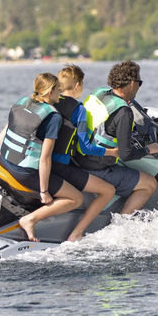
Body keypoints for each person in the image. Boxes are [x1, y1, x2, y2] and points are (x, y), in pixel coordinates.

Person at [0, 73, 85, 242]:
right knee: (76, 198)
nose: (61, 92)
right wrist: (44, 192)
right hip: (25, 173)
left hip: (4, 161)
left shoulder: (22, 102)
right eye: (58, 89)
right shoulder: (53, 117)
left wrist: (8, 162)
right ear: (49, 92)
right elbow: (45, 159)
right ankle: (30, 220)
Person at [72, 60, 158, 217]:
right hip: (96, 168)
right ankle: (121, 223)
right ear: (131, 83)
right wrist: (148, 149)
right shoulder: (124, 112)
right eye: (139, 83)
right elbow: (126, 154)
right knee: (149, 183)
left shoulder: (99, 93)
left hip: (78, 158)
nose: (139, 87)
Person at [52, 64, 118, 241]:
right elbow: (86, 147)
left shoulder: (49, 101)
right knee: (108, 190)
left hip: (44, 163)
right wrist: (111, 152)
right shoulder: (78, 109)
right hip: (60, 167)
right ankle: (77, 233)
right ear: (77, 85)